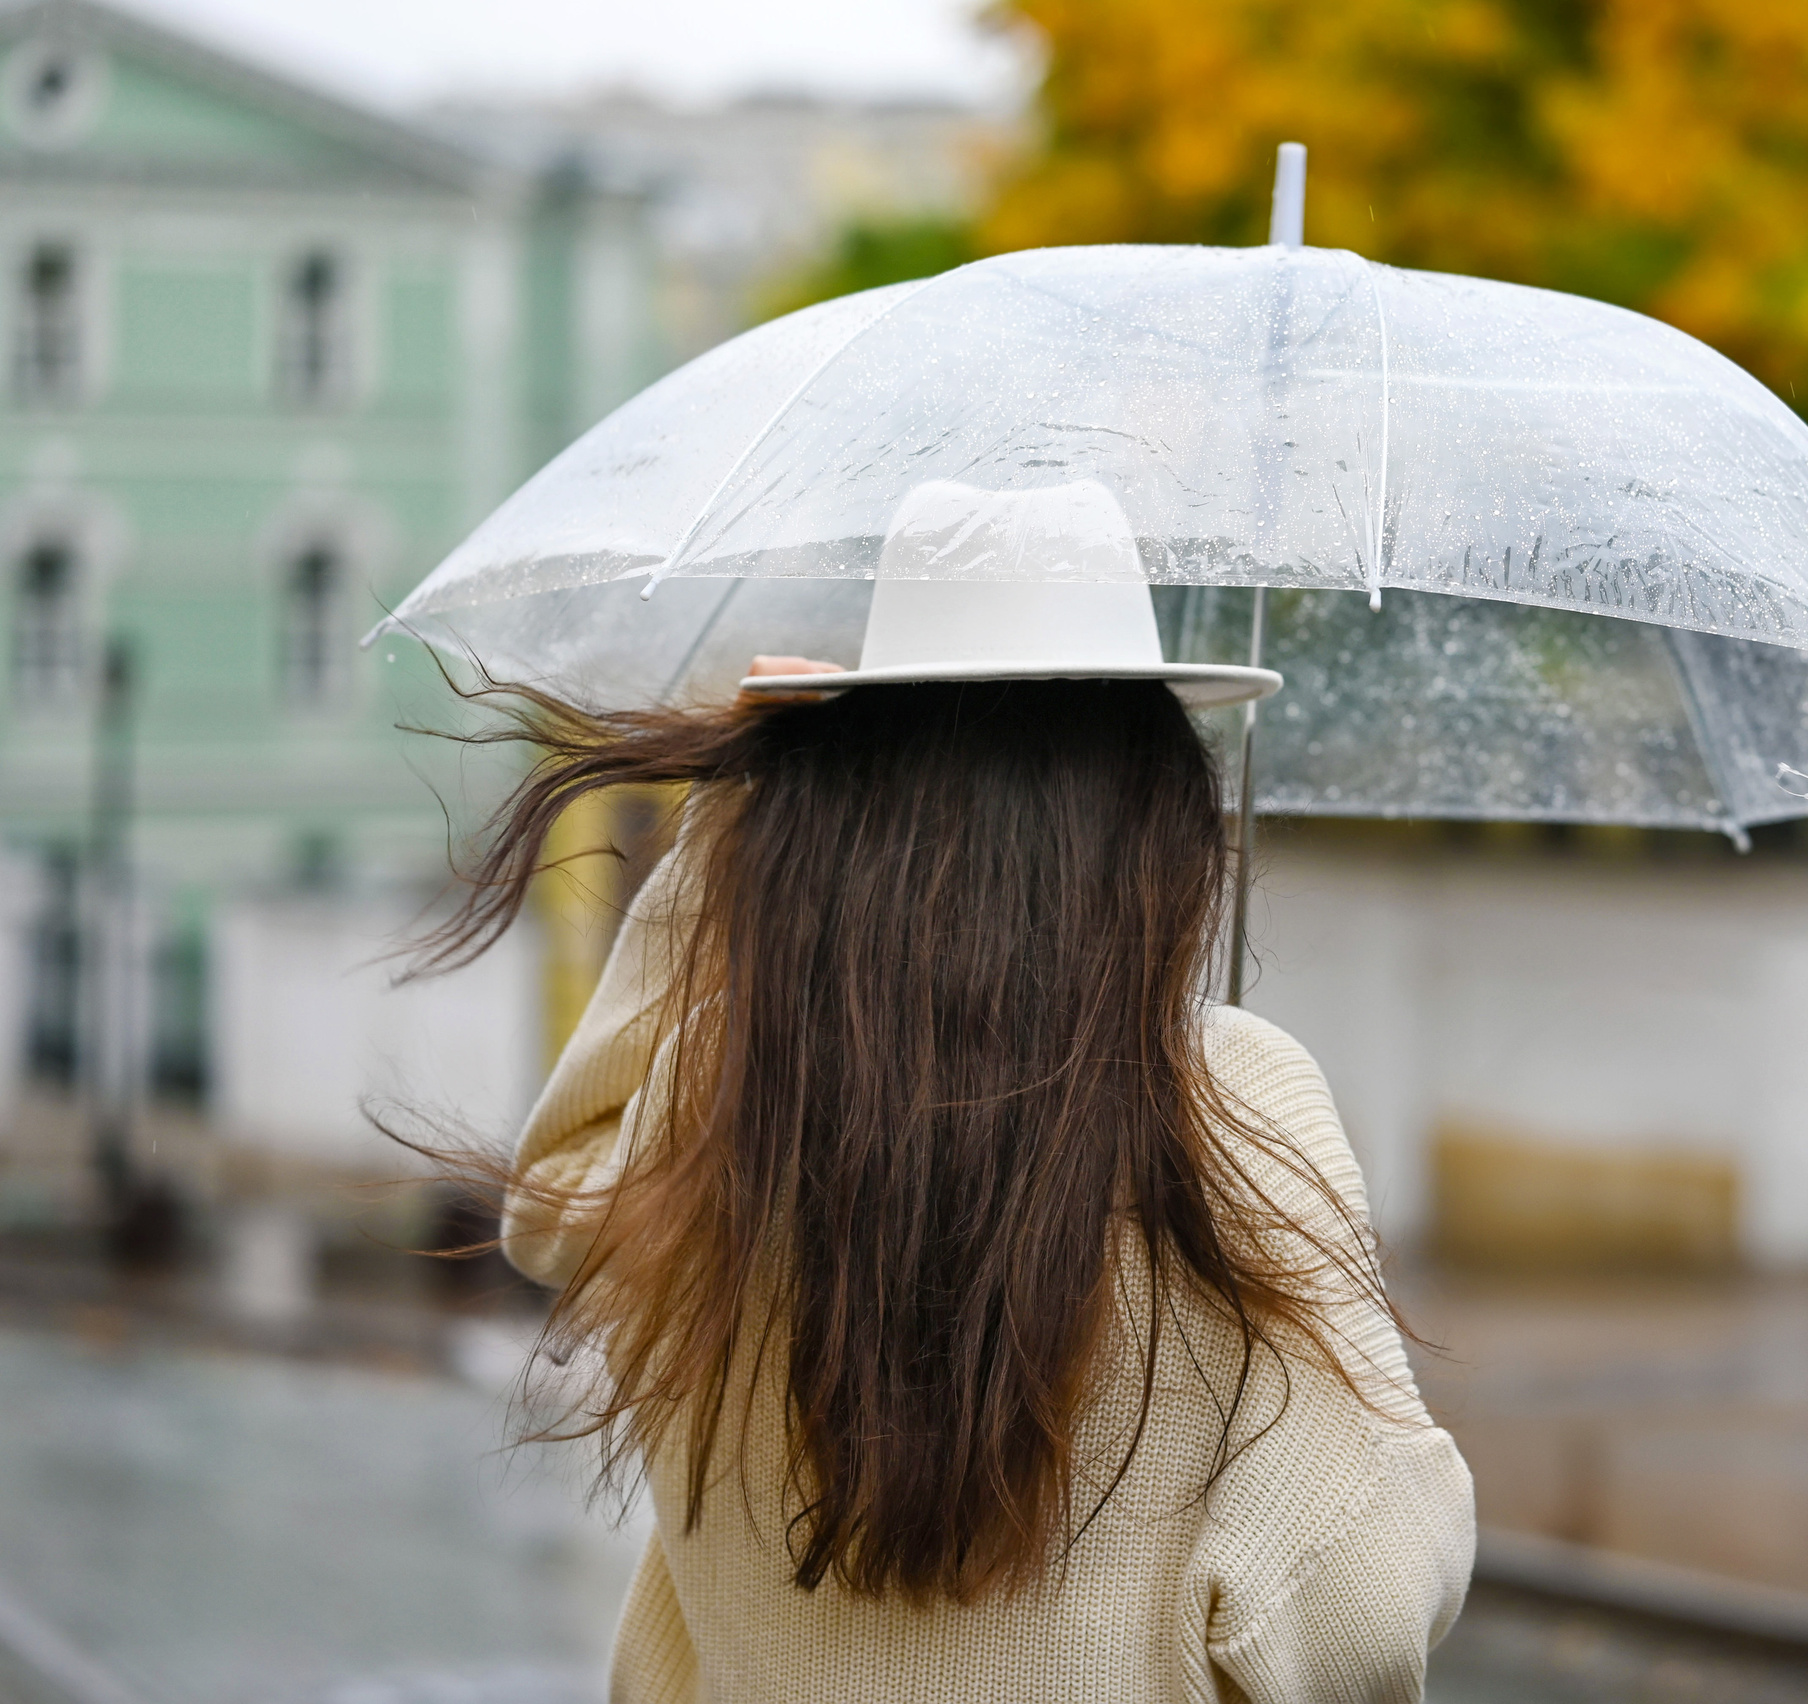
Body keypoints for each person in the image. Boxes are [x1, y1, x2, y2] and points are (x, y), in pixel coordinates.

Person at [428, 569, 1474, 1704]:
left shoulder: (730, 1093)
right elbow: (1358, 1602)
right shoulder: (1231, 1099)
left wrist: (734, 816)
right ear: (1153, 824)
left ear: (838, 813)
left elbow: (554, 1207)